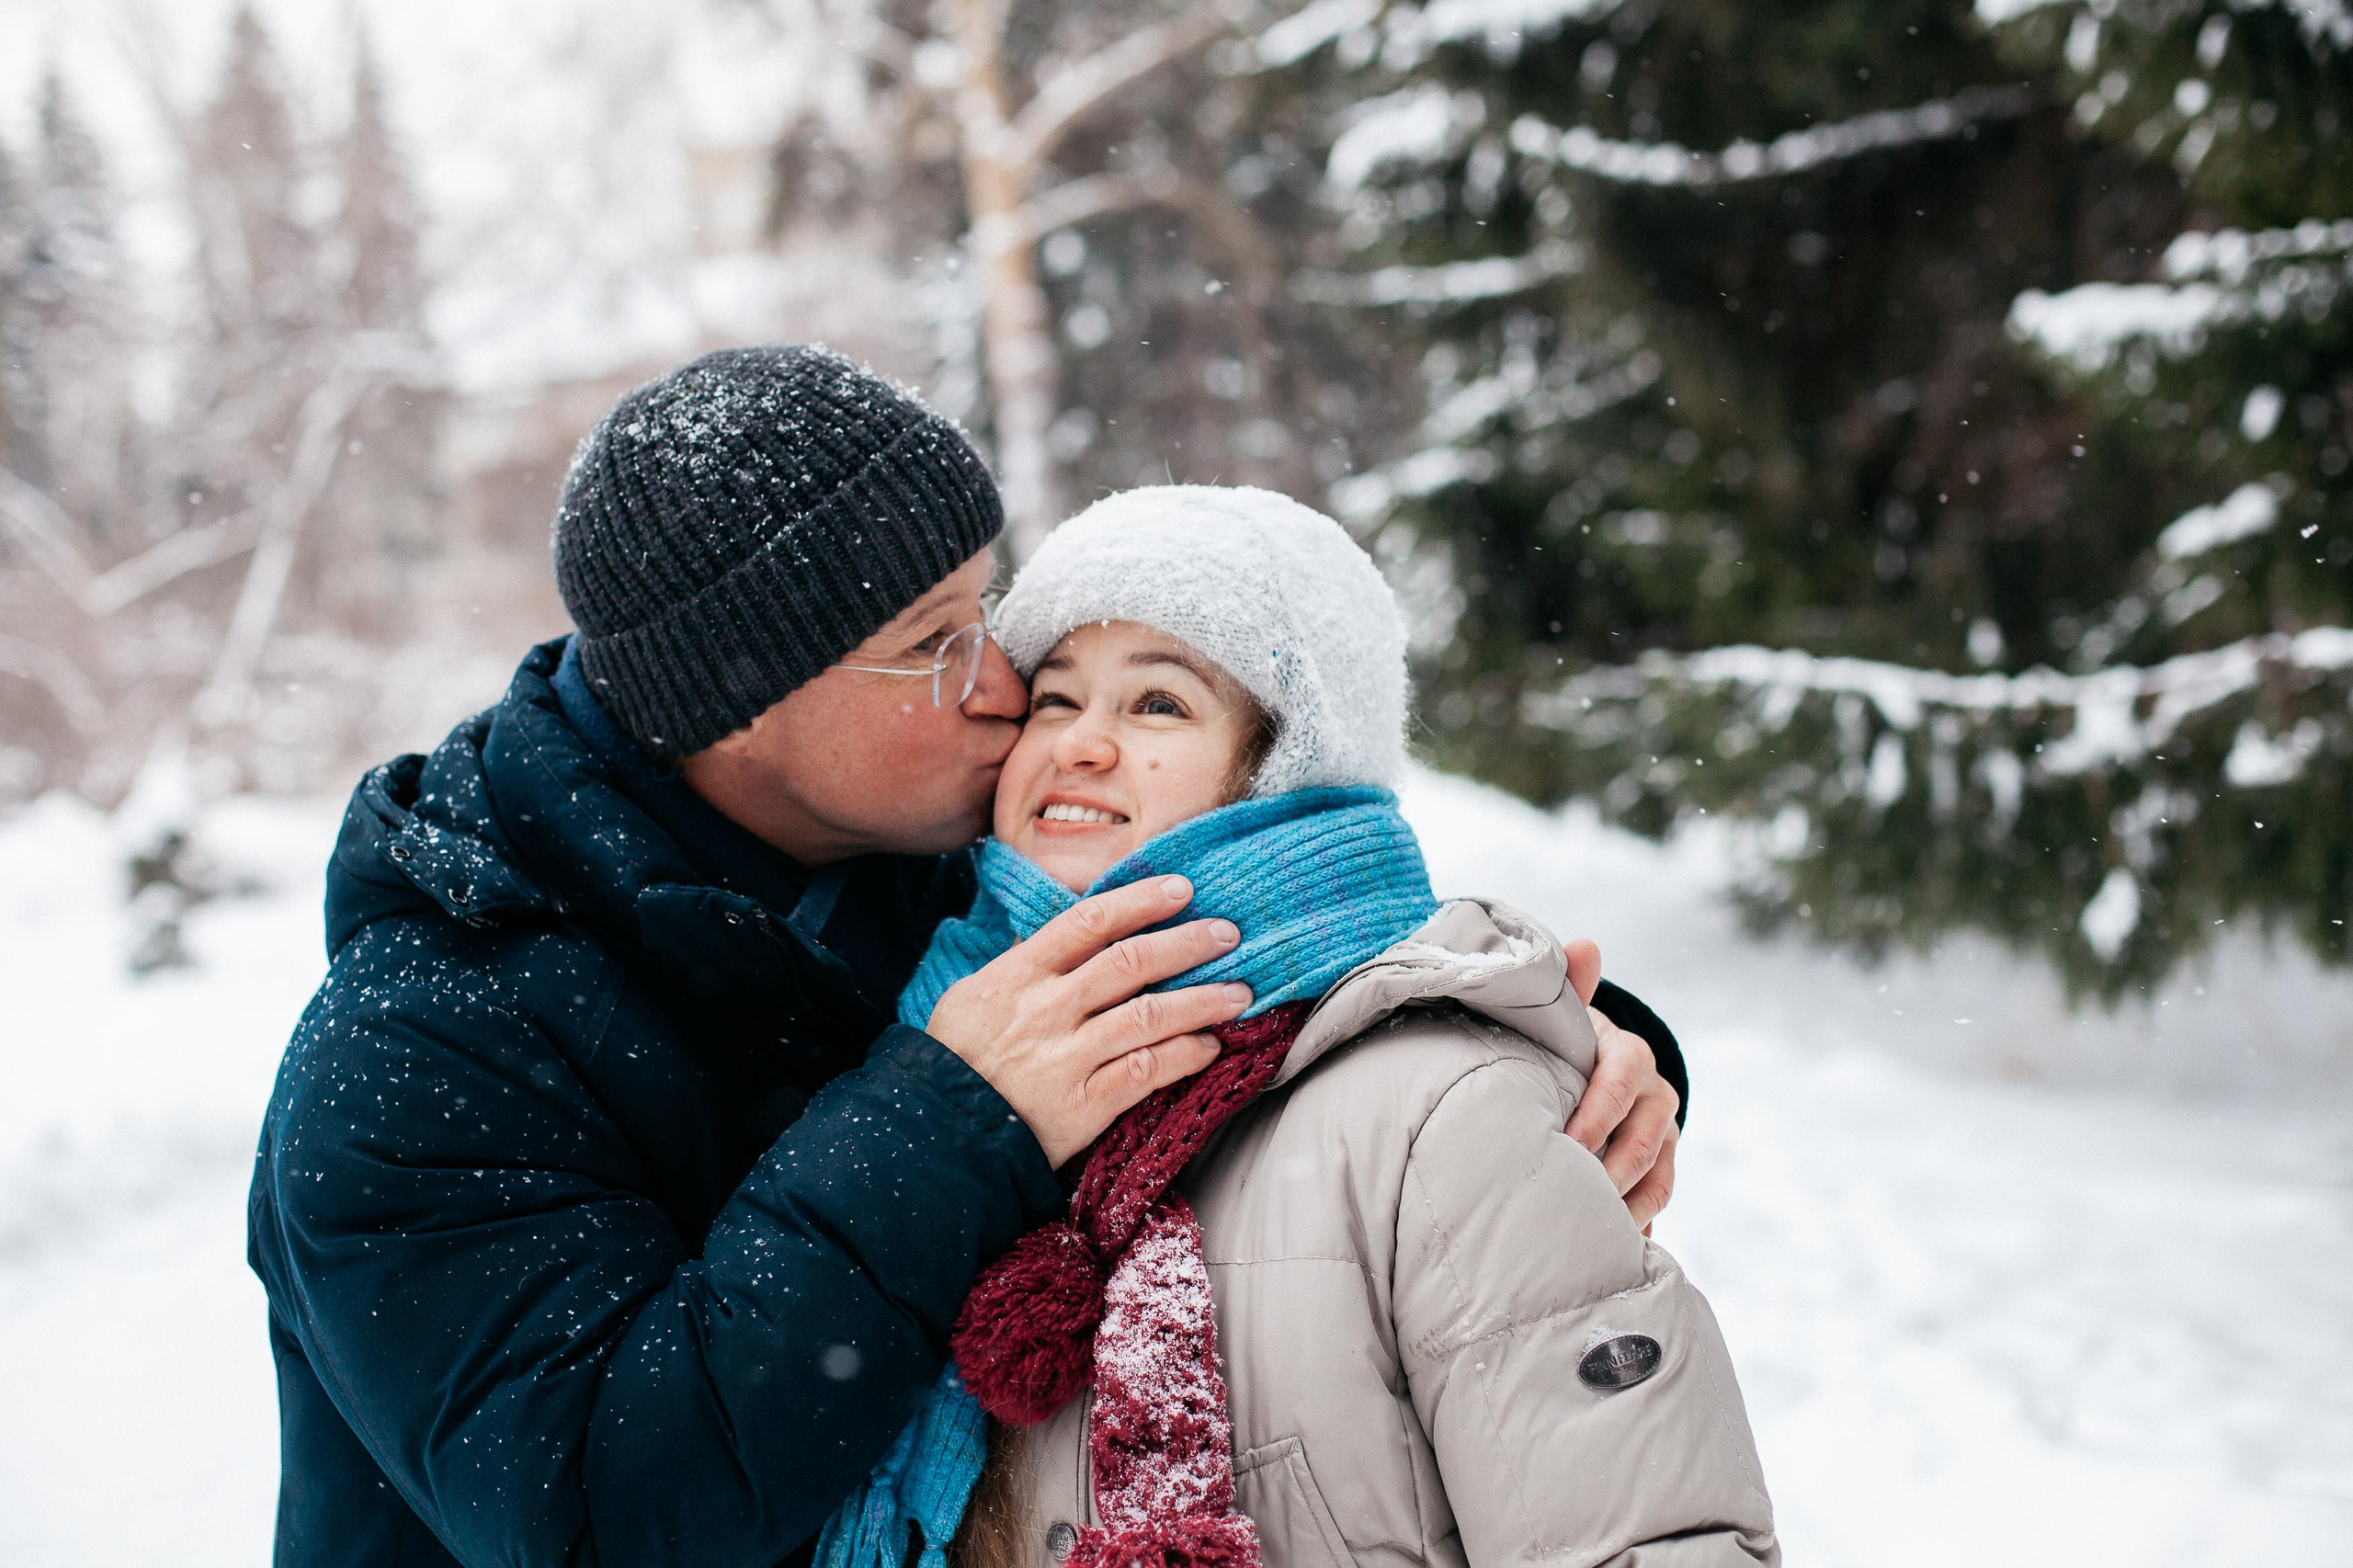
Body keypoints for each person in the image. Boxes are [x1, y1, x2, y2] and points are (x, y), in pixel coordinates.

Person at [246, 347, 1688, 1568]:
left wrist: (1545, 1052)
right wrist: (953, 1114)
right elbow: (599, 1512)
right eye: (937, 644)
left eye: (984, 608)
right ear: (740, 706)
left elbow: (1258, 945)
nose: (1006, 686)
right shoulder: (416, 1052)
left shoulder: (918, 865)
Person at [816, 486, 1774, 1568]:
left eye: (1158, 705)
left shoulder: (1441, 1110)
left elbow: (1639, 1536)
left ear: (1285, 768)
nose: (1080, 743)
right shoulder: (933, 1062)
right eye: (1054, 698)